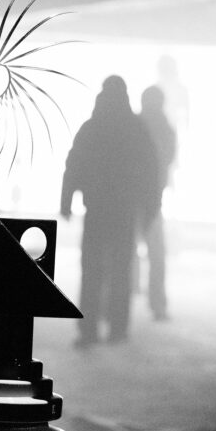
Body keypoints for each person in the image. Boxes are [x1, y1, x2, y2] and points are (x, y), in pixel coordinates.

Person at [60, 75, 160, 346]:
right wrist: (150, 209)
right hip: (124, 212)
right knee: (121, 271)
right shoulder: (136, 128)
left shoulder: (92, 127)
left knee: (91, 271)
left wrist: (66, 202)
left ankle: (88, 329)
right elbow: (151, 171)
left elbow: (73, 165)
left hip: (96, 210)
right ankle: (118, 327)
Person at [139, 84, 177, 321]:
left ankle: (113, 306)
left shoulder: (134, 124)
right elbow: (169, 157)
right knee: (157, 254)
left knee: (122, 254)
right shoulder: (165, 127)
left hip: (131, 198)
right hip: (154, 199)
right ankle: (158, 304)